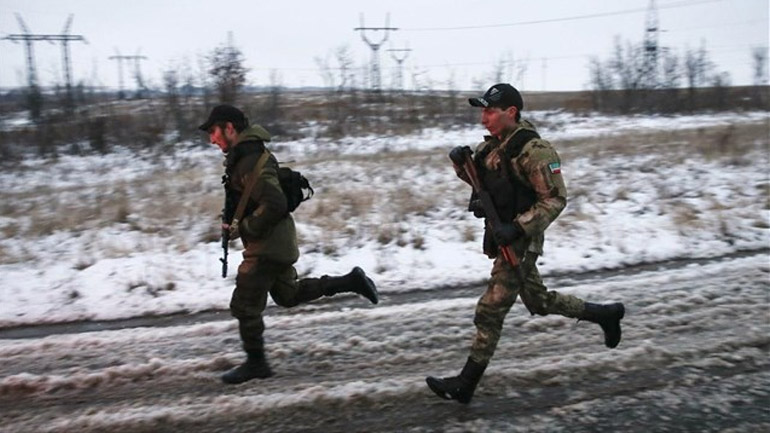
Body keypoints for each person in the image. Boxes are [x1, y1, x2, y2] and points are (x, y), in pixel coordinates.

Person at [425, 84, 625, 404]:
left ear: (511, 112)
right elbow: (483, 182)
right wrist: (461, 165)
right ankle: (605, 315)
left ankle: (465, 384)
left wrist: (518, 228)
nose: (483, 119)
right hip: (502, 233)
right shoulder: (491, 147)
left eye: (490, 111)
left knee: (490, 310)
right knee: (538, 301)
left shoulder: (534, 151)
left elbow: (555, 199)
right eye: (482, 111)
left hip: (520, 241)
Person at [200, 104, 379, 384]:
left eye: (214, 131)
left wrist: (245, 227)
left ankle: (256, 363)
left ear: (230, 128)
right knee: (288, 295)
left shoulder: (248, 160)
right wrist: (235, 221)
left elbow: (275, 203)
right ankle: (351, 281)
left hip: (267, 247)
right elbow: (254, 200)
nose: (212, 139)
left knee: (245, 304)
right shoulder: (244, 157)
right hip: (276, 241)